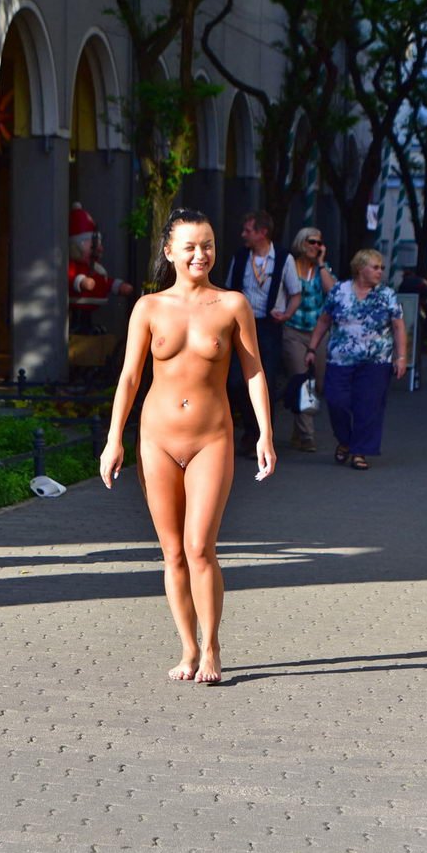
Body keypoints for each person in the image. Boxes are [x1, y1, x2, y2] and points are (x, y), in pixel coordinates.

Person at [100, 209, 276, 685]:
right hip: (156, 440)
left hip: (210, 439)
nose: (201, 254)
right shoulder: (149, 307)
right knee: (172, 552)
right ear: (170, 252)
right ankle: (188, 648)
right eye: (191, 247)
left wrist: (265, 432)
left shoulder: (233, 304)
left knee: (200, 547)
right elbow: (130, 377)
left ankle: (212, 646)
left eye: (209, 245)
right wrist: (114, 439)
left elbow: (254, 371)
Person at [306, 249, 407, 471]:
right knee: (336, 401)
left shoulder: (387, 295)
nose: (380, 272)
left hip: (376, 360)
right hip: (340, 359)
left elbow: (398, 326)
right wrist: (312, 348)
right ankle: (345, 440)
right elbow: (324, 321)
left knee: (369, 406)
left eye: (382, 268)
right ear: (360, 268)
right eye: (375, 267)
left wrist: (401, 357)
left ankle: (360, 451)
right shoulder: (339, 291)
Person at [224, 211, 300, 453]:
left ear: (262, 232)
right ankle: (250, 427)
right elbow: (228, 290)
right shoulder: (240, 257)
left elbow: (295, 293)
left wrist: (286, 314)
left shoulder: (283, 258)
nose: (243, 235)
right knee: (235, 381)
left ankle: (263, 437)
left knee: (265, 380)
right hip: (241, 326)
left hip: (269, 326)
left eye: (248, 230)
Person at [279, 226, 336, 452]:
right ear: (301, 242)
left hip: (318, 333)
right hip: (293, 330)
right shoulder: (289, 266)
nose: (316, 246)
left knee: (318, 384)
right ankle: (307, 435)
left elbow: (333, 293)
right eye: (312, 242)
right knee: (302, 379)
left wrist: (321, 264)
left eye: (319, 243)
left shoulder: (322, 269)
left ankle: (297, 431)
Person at [67, 201, 133, 333]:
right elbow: (70, 276)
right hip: (79, 302)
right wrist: (81, 282)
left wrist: (118, 286)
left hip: (91, 304)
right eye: (92, 243)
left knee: (87, 319)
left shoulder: (96, 267)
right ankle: (77, 325)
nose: (99, 248)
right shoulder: (74, 265)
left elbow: (105, 281)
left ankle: (87, 326)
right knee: (79, 317)